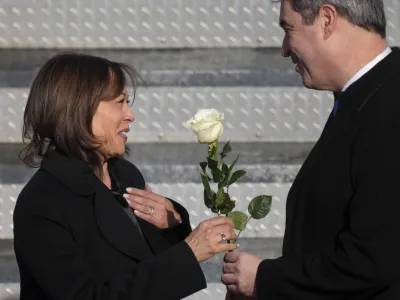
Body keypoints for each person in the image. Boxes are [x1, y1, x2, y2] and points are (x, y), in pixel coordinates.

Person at [13, 53, 239, 300]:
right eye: (119, 102)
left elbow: (148, 270)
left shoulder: (125, 175)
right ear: (79, 106)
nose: (130, 115)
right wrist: (189, 253)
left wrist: (172, 225)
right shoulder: (42, 202)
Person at [222, 0, 400, 299]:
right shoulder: (364, 98)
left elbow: (374, 260)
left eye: (289, 29)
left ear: (327, 19)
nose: (284, 48)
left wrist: (264, 279)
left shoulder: (390, 106)